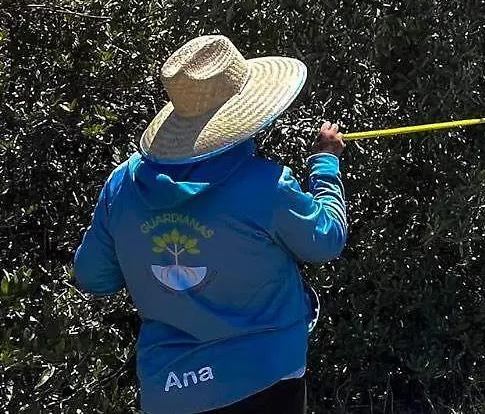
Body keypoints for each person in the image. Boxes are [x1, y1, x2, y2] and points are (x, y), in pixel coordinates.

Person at [73, 35, 348, 413]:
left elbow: (93, 277)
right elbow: (325, 239)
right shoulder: (266, 185)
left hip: (170, 388)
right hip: (267, 373)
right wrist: (325, 164)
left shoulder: (123, 185)